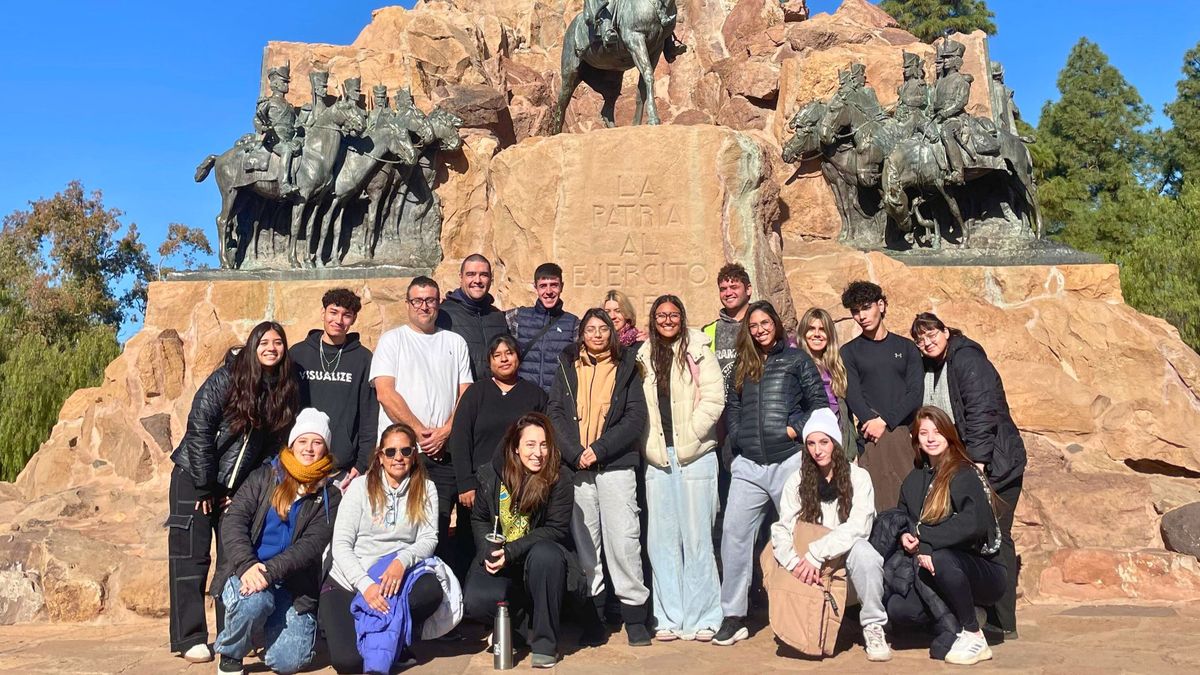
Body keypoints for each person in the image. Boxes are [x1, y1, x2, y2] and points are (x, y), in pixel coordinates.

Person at [167, 321, 299, 663]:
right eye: (265, 342)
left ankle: (231, 636)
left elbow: (272, 448)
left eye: (278, 343)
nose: (271, 347)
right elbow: (199, 428)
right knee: (191, 559)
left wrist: (242, 489)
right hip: (193, 479)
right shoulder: (226, 378)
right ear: (253, 345)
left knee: (233, 560)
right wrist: (205, 485)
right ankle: (190, 637)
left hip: (233, 490)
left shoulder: (281, 389)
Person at [715, 301, 827, 646]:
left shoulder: (796, 360)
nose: (760, 329)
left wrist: (794, 428)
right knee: (733, 534)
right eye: (754, 325)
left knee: (798, 535)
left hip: (788, 460)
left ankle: (804, 609)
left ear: (776, 325)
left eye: (765, 323)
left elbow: (818, 403)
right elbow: (732, 405)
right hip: (749, 465)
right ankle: (734, 615)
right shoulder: (743, 365)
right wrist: (739, 436)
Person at [910, 313, 1026, 640]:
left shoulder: (967, 360)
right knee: (974, 537)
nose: (927, 342)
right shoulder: (935, 366)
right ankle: (977, 613)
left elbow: (982, 410)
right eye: (920, 339)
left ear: (946, 331)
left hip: (995, 466)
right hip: (964, 466)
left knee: (995, 537)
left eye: (931, 334)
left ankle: (1003, 622)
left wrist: (978, 462)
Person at [547, 308, 651, 646]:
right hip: (578, 469)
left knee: (623, 540)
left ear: (611, 333)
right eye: (590, 329)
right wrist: (575, 452)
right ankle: (595, 614)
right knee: (587, 544)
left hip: (614, 466)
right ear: (582, 334)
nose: (596, 335)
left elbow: (635, 418)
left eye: (602, 329)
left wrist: (600, 449)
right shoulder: (567, 367)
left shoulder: (626, 368)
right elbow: (556, 413)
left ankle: (634, 614)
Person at [211, 408, 341, 675]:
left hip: (292, 585)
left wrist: (268, 573)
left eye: (317, 442)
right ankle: (231, 653)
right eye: (302, 441)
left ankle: (265, 626)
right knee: (256, 602)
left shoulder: (330, 496)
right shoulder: (264, 477)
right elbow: (233, 521)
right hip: (247, 571)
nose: (309, 449)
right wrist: (248, 565)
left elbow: (309, 548)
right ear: (292, 445)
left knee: (289, 661)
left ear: (325, 449)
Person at [320, 423, 448, 673]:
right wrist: (366, 585)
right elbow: (341, 545)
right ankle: (384, 634)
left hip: (395, 577)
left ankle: (393, 637)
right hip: (350, 579)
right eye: (390, 452)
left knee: (430, 590)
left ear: (414, 455)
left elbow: (428, 538)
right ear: (380, 456)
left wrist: (402, 561)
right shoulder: (359, 488)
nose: (398, 458)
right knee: (349, 662)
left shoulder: (426, 488)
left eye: (405, 451)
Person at [371, 276, 474, 577]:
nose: (424, 306)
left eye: (430, 300)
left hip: (443, 452)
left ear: (439, 302)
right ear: (407, 304)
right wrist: (418, 431)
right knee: (400, 525)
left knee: (438, 526)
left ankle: (440, 599)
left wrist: (444, 431)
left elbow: (465, 394)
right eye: (417, 300)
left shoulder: (454, 342)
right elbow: (385, 393)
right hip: (402, 454)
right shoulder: (393, 340)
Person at [635, 295, 724, 642]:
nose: (668, 320)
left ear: (682, 317)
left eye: (673, 315)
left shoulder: (700, 349)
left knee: (698, 537)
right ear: (653, 319)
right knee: (662, 540)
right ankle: (668, 615)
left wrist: (692, 434)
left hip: (696, 455)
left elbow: (715, 397)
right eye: (661, 315)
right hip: (658, 458)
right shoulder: (643, 355)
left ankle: (704, 616)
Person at [768, 408, 890, 661]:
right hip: (811, 570)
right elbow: (782, 528)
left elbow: (859, 527)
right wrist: (795, 562)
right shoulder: (797, 480)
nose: (817, 449)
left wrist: (816, 553)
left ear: (835, 443)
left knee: (866, 554)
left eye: (824, 442)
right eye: (811, 443)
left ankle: (873, 625)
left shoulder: (859, 477)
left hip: (845, 565)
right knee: (773, 551)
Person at [894, 406, 1006, 666]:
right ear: (916, 440)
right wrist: (906, 536)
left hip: (982, 571)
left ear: (948, 434)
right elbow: (904, 518)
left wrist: (926, 539)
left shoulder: (964, 473)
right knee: (900, 610)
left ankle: (973, 634)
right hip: (933, 570)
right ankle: (958, 620)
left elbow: (974, 524)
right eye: (924, 433)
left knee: (943, 559)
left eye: (937, 431)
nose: (931, 438)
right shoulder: (913, 480)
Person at [464, 413, 577, 668]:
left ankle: (545, 644)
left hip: (538, 562)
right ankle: (519, 626)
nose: (538, 452)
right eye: (530, 444)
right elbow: (480, 519)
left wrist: (512, 551)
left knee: (546, 555)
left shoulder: (559, 479)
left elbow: (556, 529)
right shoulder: (492, 474)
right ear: (516, 447)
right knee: (475, 600)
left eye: (544, 444)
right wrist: (487, 550)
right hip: (503, 559)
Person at [840, 281, 923, 512]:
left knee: (912, 501)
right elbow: (852, 393)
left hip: (904, 434)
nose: (861, 316)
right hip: (871, 437)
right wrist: (871, 421)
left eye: (866, 307)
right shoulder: (849, 351)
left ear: (881, 305)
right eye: (855, 311)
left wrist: (885, 420)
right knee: (880, 506)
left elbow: (915, 394)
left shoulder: (907, 348)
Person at [449, 335, 549, 513]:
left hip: (524, 485)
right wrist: (465, 483)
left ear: (517, 356)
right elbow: (460, 438)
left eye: (509, 353)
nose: (504, 359)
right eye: (497, 355)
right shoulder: (476, 393)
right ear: (490, 361)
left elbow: (546, 440)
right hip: (479, 487)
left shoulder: (536, 395)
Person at [290, 288, 377, 490]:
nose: (339, 320)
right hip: (298, 464)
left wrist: (362, 463)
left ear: (354, 319)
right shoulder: (298, 354)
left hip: (341, 470)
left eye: (346, 315)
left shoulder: (363, 359)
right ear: (323, 313)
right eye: (333, 312)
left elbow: (369, 414)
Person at [507, 263, 579, 393]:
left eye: (554, 285)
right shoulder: (517, 317)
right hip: (523, 396)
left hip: (556, 400)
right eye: (543, 286)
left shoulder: (574, 324)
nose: (549, 292)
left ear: (562, 286)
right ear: (536, 288)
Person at [437, 254, 511, 380]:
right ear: (461, 277)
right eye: (471, 274)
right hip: (460, 395)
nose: (477, 280)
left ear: (490, 279)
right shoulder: (443, 314)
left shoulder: (498, 317)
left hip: (494, 394)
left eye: (484, 275)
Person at [798, 307, 857, 458]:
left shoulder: (837, 366)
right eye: (811, 329)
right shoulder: (795, 365)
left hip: (837, 444)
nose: (817, 334)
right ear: (803, 333)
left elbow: (844, 413)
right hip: (807, 445)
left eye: (822, 329)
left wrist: (851, 447)